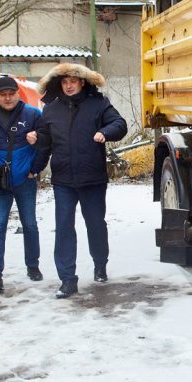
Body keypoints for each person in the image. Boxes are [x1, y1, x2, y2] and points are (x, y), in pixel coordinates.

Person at [28, 63, 127, 299]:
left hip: (92, 177)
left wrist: (106, 132)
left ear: (82, 82)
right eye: (64, 82)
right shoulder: (50, 110)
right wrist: (36, 153)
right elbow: (46, 142)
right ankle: (67, 279)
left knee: (95, 224)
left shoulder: (98, 104)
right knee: (63, 227)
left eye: (73, 80)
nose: (69, 85)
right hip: (63, 180)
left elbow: (119, 124)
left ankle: (100, 263)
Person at [0, 76, 50, 294]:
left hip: (25, 180)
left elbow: (46, 142)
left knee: (29, 224)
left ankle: (33, 266)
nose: (7, 98)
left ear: (17, 93)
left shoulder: (32, 115)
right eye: (2, 94)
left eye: (11, 93)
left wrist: (35, 168)